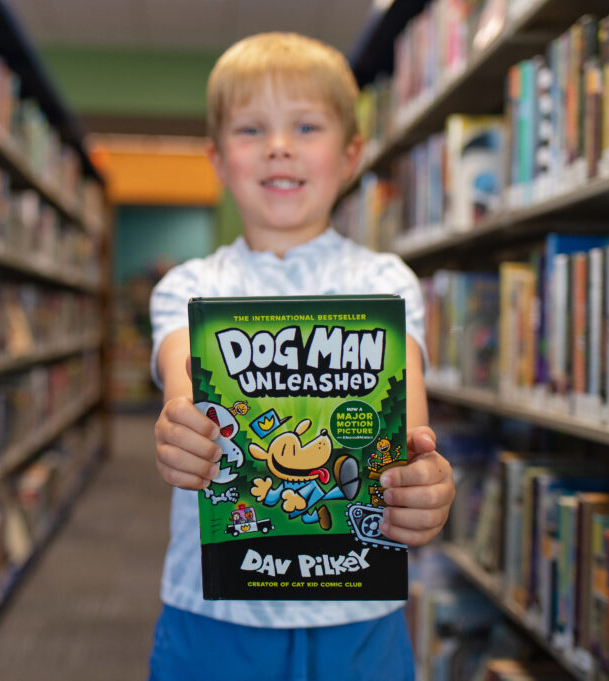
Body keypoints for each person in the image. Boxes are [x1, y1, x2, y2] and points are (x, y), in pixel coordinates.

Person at [148, 32, 456, 681]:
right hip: (214, 612)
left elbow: (408, 438)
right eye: (251, 128)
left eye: (306, 126)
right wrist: (181, 433)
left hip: (357, 617)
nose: (279, 146)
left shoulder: (386, 283)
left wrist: (425, 487)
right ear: (218, 159)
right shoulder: (189, 287)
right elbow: (184, 390)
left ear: (350, 155)